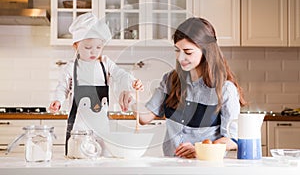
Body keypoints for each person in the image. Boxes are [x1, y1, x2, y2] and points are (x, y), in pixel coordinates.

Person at [121, 17, 246, 158]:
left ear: (206, 51)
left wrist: (201, 149)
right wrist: (130, 100)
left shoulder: (225, 89)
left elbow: (233, 139)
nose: (180, 58)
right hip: (172, 165)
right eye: (177, 50)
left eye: (188, 52)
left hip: (205, 167)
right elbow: (145, 118)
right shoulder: (170, 80)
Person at [49, 12, 143, 156]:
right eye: (88, 48)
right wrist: (57, 100)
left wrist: (132, 82)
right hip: (79, 127)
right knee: (79, 158)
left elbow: (120, 74)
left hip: (101, 127)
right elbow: (62, 88)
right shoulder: (71, 67)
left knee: (103, 161)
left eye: (98, 47)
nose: (94, 52)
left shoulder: (105, 63)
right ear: (76, 46)